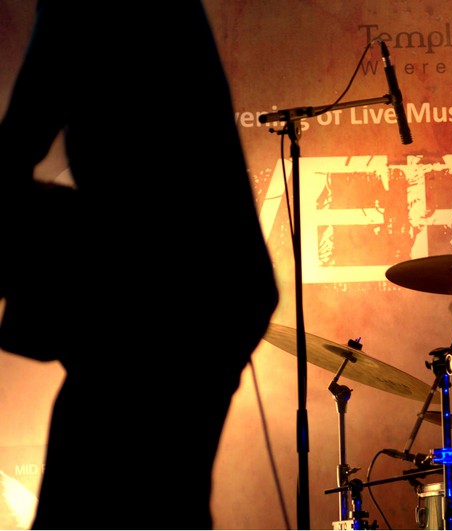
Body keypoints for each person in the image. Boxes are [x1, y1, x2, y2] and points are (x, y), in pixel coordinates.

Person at [0, 2, 279, 529]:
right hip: (197, 288)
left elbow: (17, 143)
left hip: (163, 290)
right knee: (160, 498)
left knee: (91, 496)